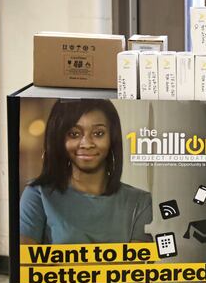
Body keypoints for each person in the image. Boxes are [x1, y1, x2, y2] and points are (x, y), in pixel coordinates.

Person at [20, 99, 153, 244]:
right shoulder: (38, 194)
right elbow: (26, 263)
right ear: (59, 139)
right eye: (74, 134)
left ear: (112, 138)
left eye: (98, 133)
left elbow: (136, 266)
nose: (87, 144)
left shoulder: (140, 202)